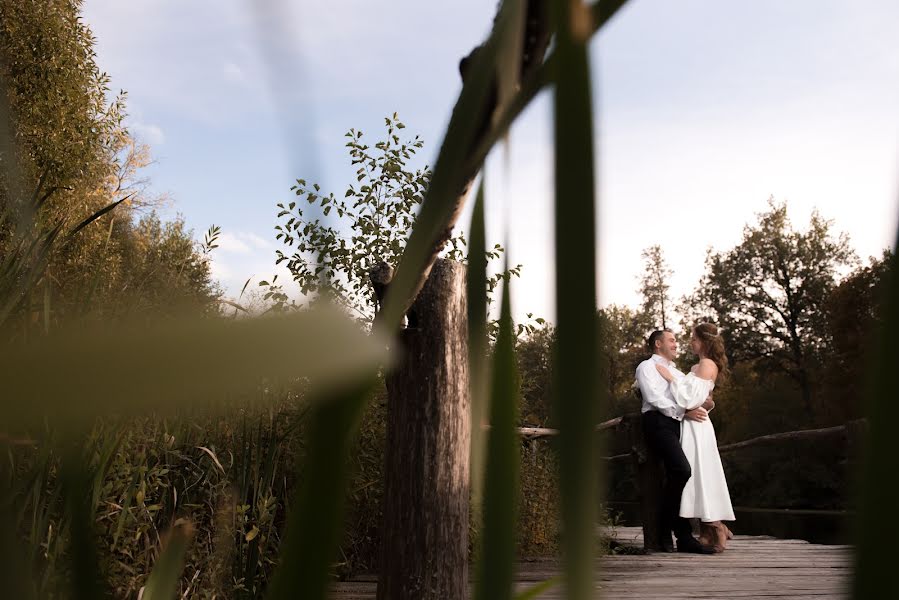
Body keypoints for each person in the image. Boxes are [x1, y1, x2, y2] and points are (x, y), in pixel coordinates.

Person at [655, 323, 735, 552]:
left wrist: (670, 378)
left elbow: (689, 400)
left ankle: (716, 525)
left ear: (705, 341)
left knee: (699, 473)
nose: (691, 342)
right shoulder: (698, 365)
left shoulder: (706, 364)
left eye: (694, 338)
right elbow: (700, 398)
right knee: (695, 475)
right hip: (690, 424)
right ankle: (708, 529)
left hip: (697, 427)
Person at [635, 329, 715, 554]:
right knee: (682, 470)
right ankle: (666, 530)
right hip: (658, 423)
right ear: (658, 344)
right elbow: (654, 398)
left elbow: (691, 395)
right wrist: (683, 411)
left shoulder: (678, 373)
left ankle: (683, 537)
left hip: (678, 424)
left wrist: (705, 402)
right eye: (671, 340)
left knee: (679, 476)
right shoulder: (646, 367)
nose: (676, 344)